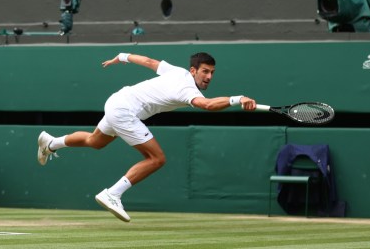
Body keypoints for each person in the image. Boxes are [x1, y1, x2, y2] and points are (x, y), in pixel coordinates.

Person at [35, 52, 256, 222]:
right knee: (157, 159)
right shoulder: (188, 89)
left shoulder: (176, 71)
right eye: (205, 71)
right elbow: (207, 105)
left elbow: (150, 62)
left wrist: (121, 56)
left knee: (95, 141)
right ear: (193, 70)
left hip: (116, 100)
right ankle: (112, 194)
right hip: (125, 111)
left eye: (212, 73)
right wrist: (237, 99)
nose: (208, 77)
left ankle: (51, 143)